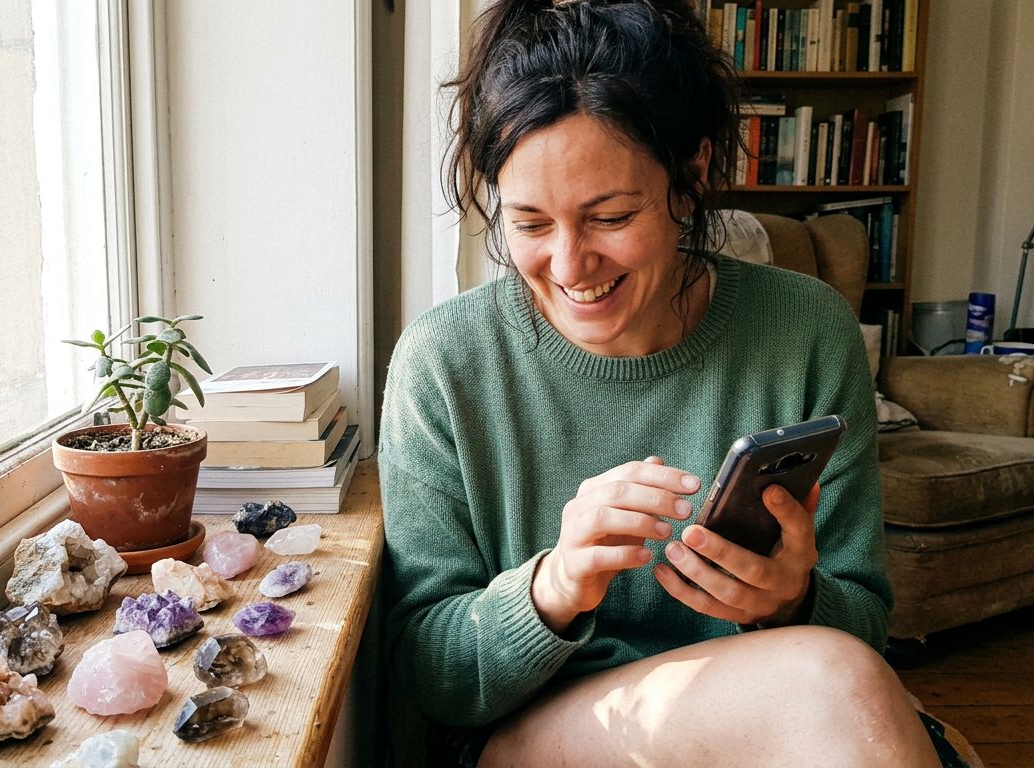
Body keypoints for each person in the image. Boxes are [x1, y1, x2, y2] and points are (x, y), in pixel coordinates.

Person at [379, 1, 956, 765]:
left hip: (770, 716)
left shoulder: (806, 330)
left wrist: (792, 599)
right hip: (524, 734)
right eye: (528, 223)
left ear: (693, 178)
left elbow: (864, 627)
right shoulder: (442, 360)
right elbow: (429, 676)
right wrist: (553, 587)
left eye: (611, 216)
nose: (570, 264)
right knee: (840, 687)